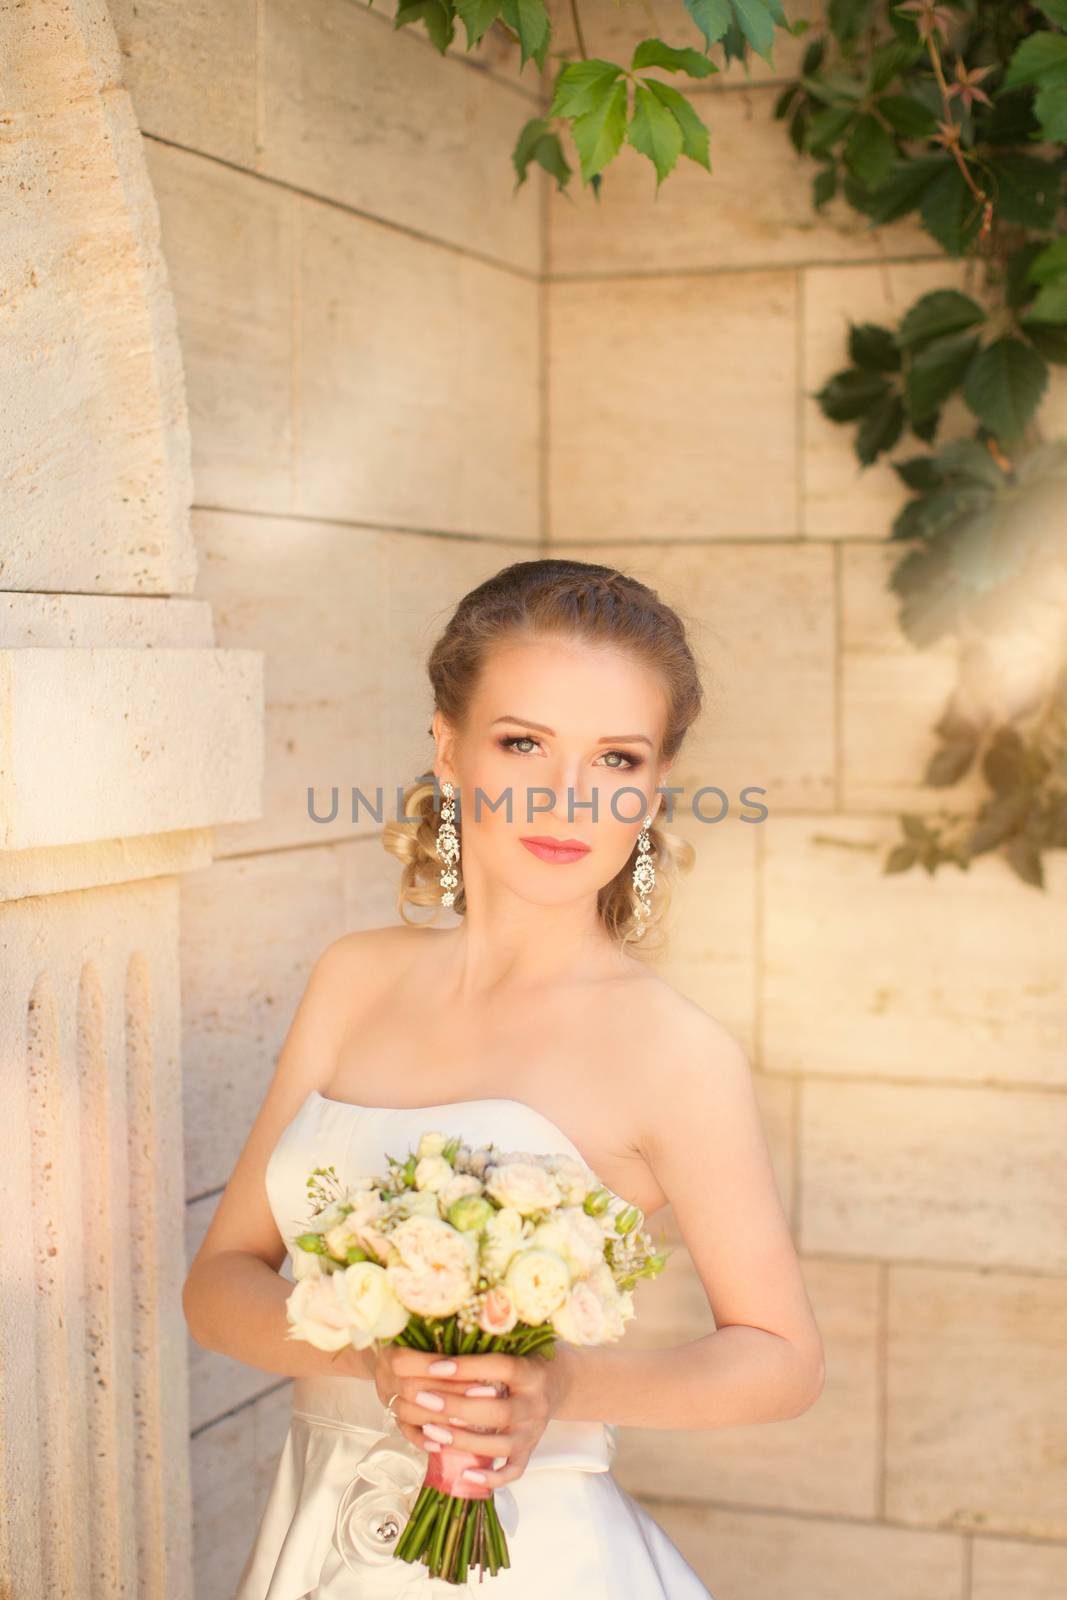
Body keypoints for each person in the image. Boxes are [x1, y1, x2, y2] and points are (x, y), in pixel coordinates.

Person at [183, 558, 825, 1598]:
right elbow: (217, 1286)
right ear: (447, 748)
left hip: (538, 1559)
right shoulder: (354, 978)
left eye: (614, 756)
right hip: (316, 1539)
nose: (567, 796)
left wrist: (555, 1383)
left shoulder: (672, 1051)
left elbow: (782, 1358)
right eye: (522, 741)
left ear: (651, 786)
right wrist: (370, 1359)